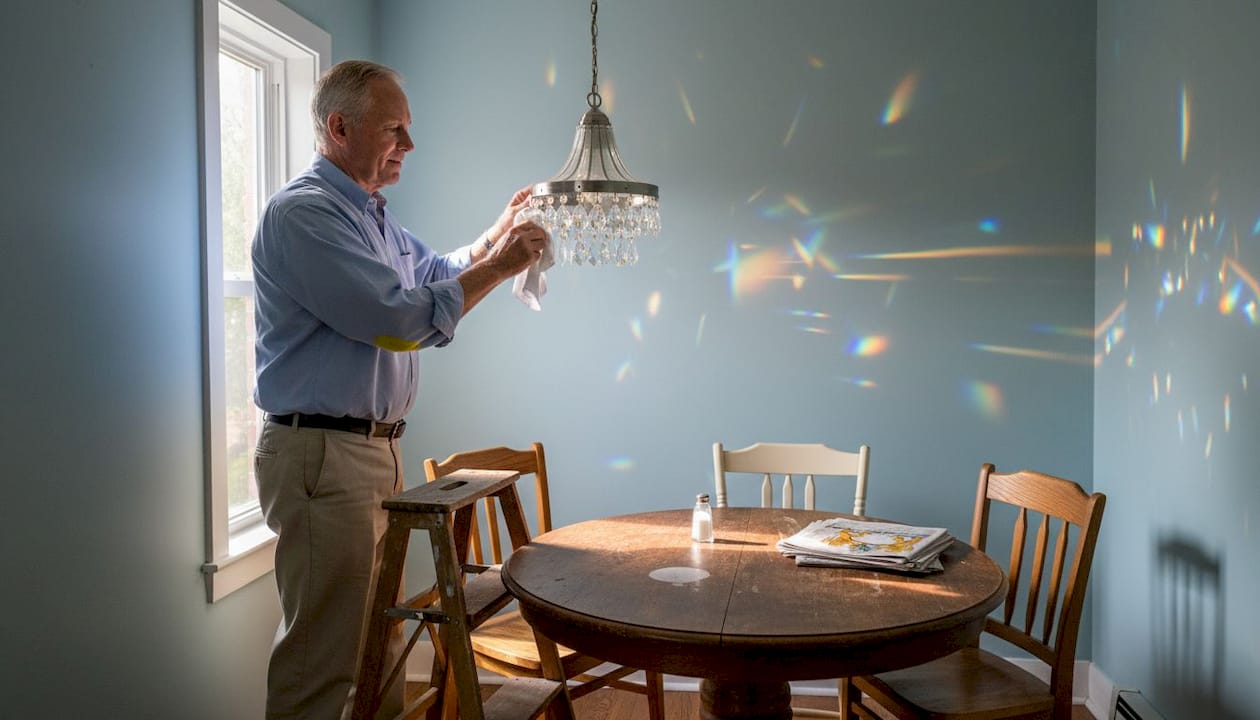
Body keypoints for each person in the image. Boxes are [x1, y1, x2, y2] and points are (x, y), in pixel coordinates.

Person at [251, 59, 548, 720]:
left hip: (368, 453)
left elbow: (435, 271)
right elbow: (392, 320)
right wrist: (502, 267)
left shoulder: (370, 214)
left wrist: (496, 233)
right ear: (339, 127)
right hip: (324, 455)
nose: (408, 146)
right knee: (325, 658)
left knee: (378, 642)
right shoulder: (306, 215)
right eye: (395, 130)